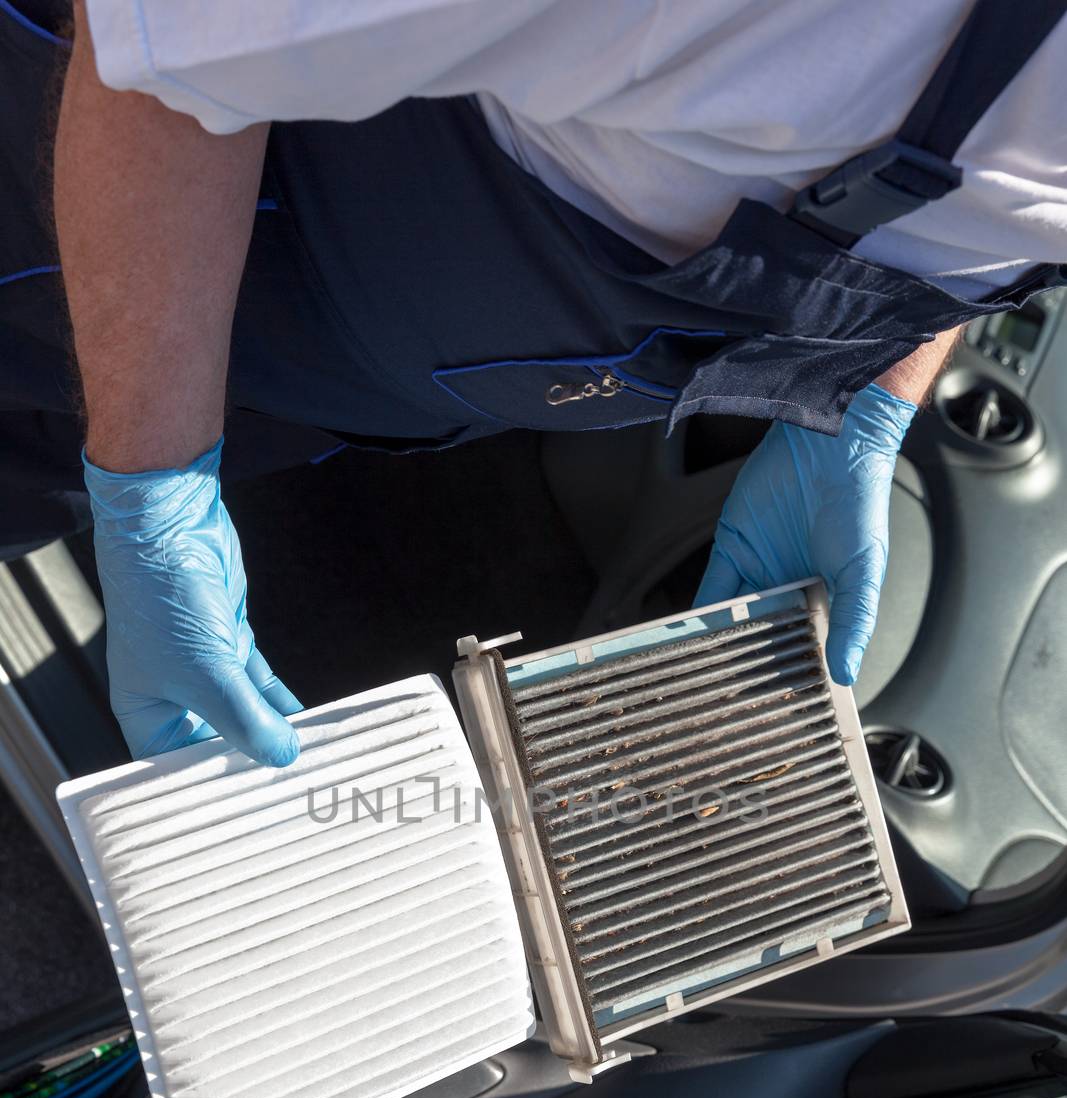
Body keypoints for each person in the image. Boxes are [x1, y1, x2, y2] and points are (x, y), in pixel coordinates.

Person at [3, 0, 1064, 765]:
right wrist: (152, 486)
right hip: (80, 197)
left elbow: (983, 225)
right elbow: (167, 39)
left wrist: (867, 405)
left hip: (322, 385)